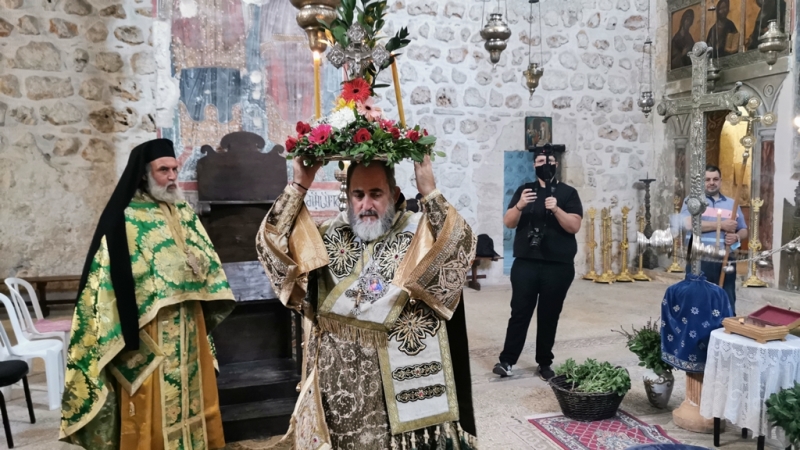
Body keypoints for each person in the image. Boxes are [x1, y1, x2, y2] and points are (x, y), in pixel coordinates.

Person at [256, 155, 478, 448]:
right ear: (348, 197)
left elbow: (461, 248)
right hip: (337, 384)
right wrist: (299, 186)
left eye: (376, 194)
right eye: (358, 195)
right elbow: (270, 249)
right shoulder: (328, 234)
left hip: (395, 387)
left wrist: (429, 190)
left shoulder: (419, 233)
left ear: (394, 194)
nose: (366, 204)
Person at [60, 139, 235, 450]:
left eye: (174, 169)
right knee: (152, 396)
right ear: (144, 174)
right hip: (150, 326)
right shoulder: (124, 216)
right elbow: (110, 277)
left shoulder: (182, 211)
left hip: (189, 321)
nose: (172, 176)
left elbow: (205, 255)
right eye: (163, 170)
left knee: (193, 392)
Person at [494, 146, 583, 381]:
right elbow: (509, 222)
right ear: (534, 165)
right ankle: (507, 361)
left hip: (558, 265)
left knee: (549, 315)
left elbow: (574, 226)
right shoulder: (525, 190)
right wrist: (520, 205)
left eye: (550, 161)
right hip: (526, 263)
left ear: (556, 164)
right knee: (519, 312)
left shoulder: (568, 193)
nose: (546, 165)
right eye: (541, 161)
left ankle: (544, 363)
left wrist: (556, 209)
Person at [680, 165, 748, 314]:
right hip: (700, 258)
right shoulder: (692, 201)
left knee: (726, 297)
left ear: (720, 181)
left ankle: (725, 325)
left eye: (715, 179)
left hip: (726, 258)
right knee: (697, 299)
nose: (712, 182)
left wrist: (736, 236)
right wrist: (721, 225)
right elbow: (688, 224)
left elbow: (743, 229)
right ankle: (697, 328)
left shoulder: (732, 204)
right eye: (707, 179)